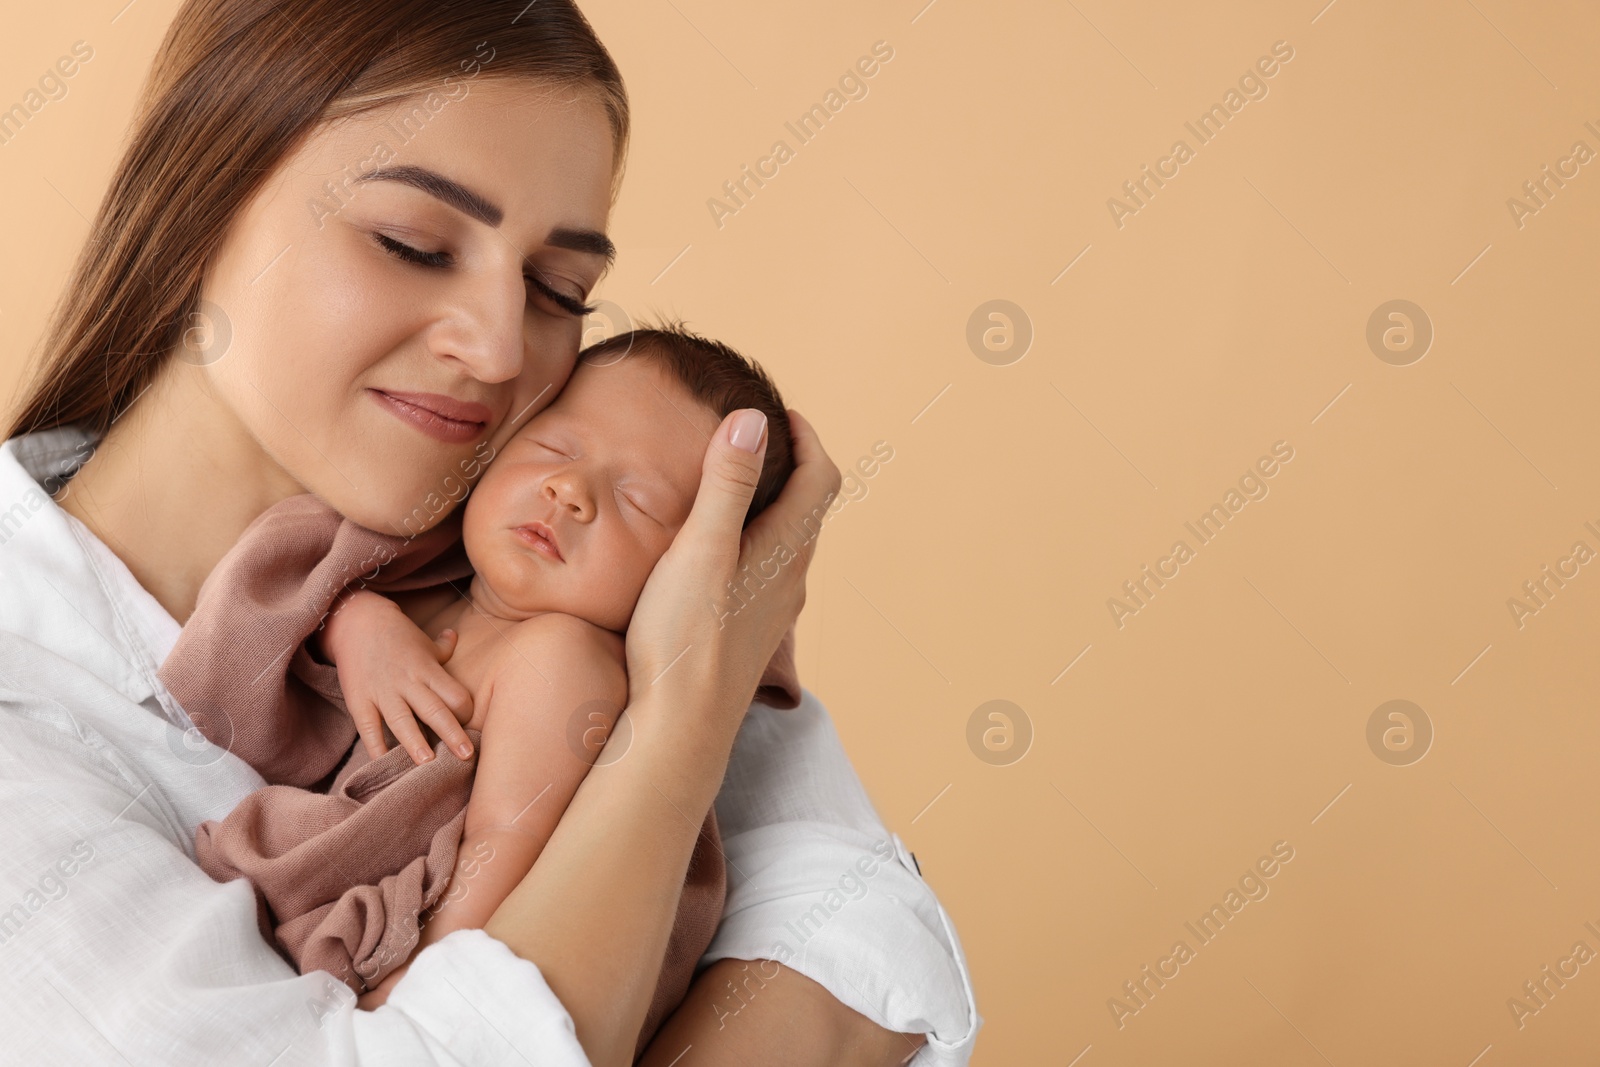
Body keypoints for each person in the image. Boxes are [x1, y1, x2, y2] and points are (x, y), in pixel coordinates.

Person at [0, 1, 978, 1065]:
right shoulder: (29, 701)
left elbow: (869, 943)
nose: (501, 344)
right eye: (412, 243)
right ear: (199, 204)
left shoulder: (575, 583)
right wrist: (669, 751)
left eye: (558, 289)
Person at [185, 327, 799, 1055]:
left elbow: (507, 842)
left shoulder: (563, 657)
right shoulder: (429, 586)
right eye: (554, 449)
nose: (570, 491)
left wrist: (418, 982)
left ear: (689, 579)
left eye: (638, 502)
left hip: (402, 947)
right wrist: (356, 623)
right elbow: (289, 633)